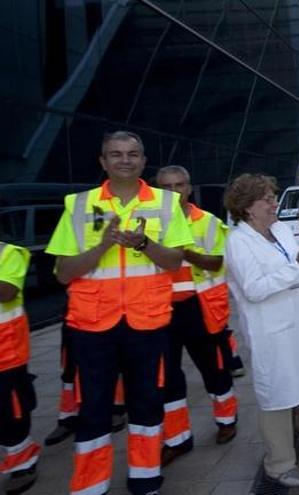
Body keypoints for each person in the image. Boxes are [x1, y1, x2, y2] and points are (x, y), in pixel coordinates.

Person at [45, 130, 193, 495]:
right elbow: (64, 272)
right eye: (116, 153)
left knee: (146, 403)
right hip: (93, 325)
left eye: (132, 154)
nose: (124, 159)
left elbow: (174, 262)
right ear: (103, 161)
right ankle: (90, 485)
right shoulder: (78, 205)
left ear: (143, 161)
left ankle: (145, 478)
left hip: (148, 321)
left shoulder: (165, 203)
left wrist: (142, 242)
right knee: (93, 407)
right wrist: (103, 245)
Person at [224, 173, 299, 488]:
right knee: (277, 392)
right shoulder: (237, 241)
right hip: (271, 330)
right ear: (247, 207)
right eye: (267, 199)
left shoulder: (278, 231)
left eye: (273, 197)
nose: (275, 203)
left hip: (298, 320)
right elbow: (254, 289)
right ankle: (279, 463)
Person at [155, 165, 238, 467]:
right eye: (167, 187)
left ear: (189, 188)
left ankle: (226, 418)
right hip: (159, 310)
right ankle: (177, 438)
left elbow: (215, 262)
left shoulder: (207, 222)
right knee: (168, 377)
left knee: (214, 368)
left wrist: (181, 249)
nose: (174, 193)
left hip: (199, 308)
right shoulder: (149, 223)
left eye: (179, 186)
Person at [0, 241, 40, 494]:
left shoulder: (8, 252)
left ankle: (22, 463)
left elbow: (7, 292)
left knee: (10, 411)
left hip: (6, 351)